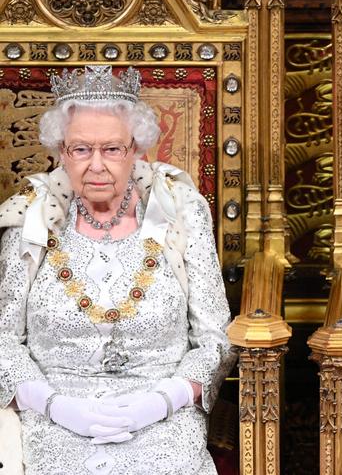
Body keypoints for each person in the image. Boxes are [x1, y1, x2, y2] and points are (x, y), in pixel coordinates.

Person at [0, 65, 235, 474]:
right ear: (60, 152)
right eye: (80, 149)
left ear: (137, 150)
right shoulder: (32, 218)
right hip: (54, 420)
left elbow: (216, 337)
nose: (96, 165)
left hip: (163, 421)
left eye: (112, 149)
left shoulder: (181, 212)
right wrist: (52, 404)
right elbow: (3, 338)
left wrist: (165, 400)